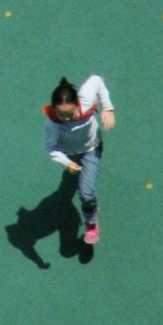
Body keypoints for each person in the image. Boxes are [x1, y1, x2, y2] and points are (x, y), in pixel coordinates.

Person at [43, 75, 115, 245]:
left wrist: (108, 108)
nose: (66, 119)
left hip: (91, 149)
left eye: (70, 114)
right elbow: (51, 148)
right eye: (61, 115)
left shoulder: (87, 100)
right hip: (70, 154)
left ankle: (91, 221)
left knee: (86, 193)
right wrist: (66, 163)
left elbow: (96, 80)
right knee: (75, 181)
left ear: (78, 104)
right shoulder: (52, 124)